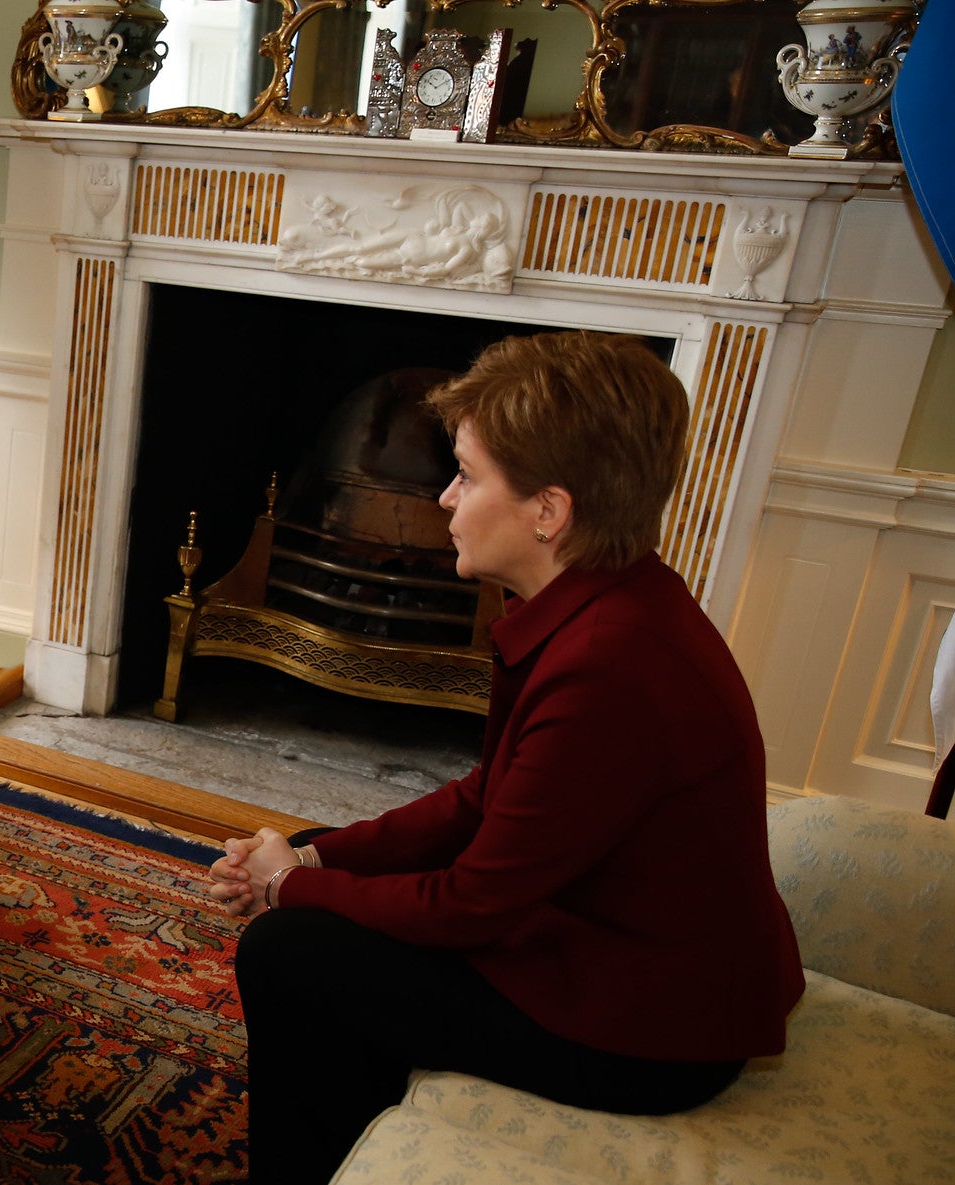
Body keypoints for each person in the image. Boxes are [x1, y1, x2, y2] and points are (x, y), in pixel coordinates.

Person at [206, 331, 805, 1185]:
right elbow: (487, 799)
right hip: (608, 939)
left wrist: (286, 884)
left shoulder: (610, 666)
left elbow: (469, 904)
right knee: (316, 854)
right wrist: (313, 854)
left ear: (548, 511)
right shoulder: (608, 599)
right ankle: (356, 1116)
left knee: (288, 950)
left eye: (467, 474)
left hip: (651, 1029)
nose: (445, 496)